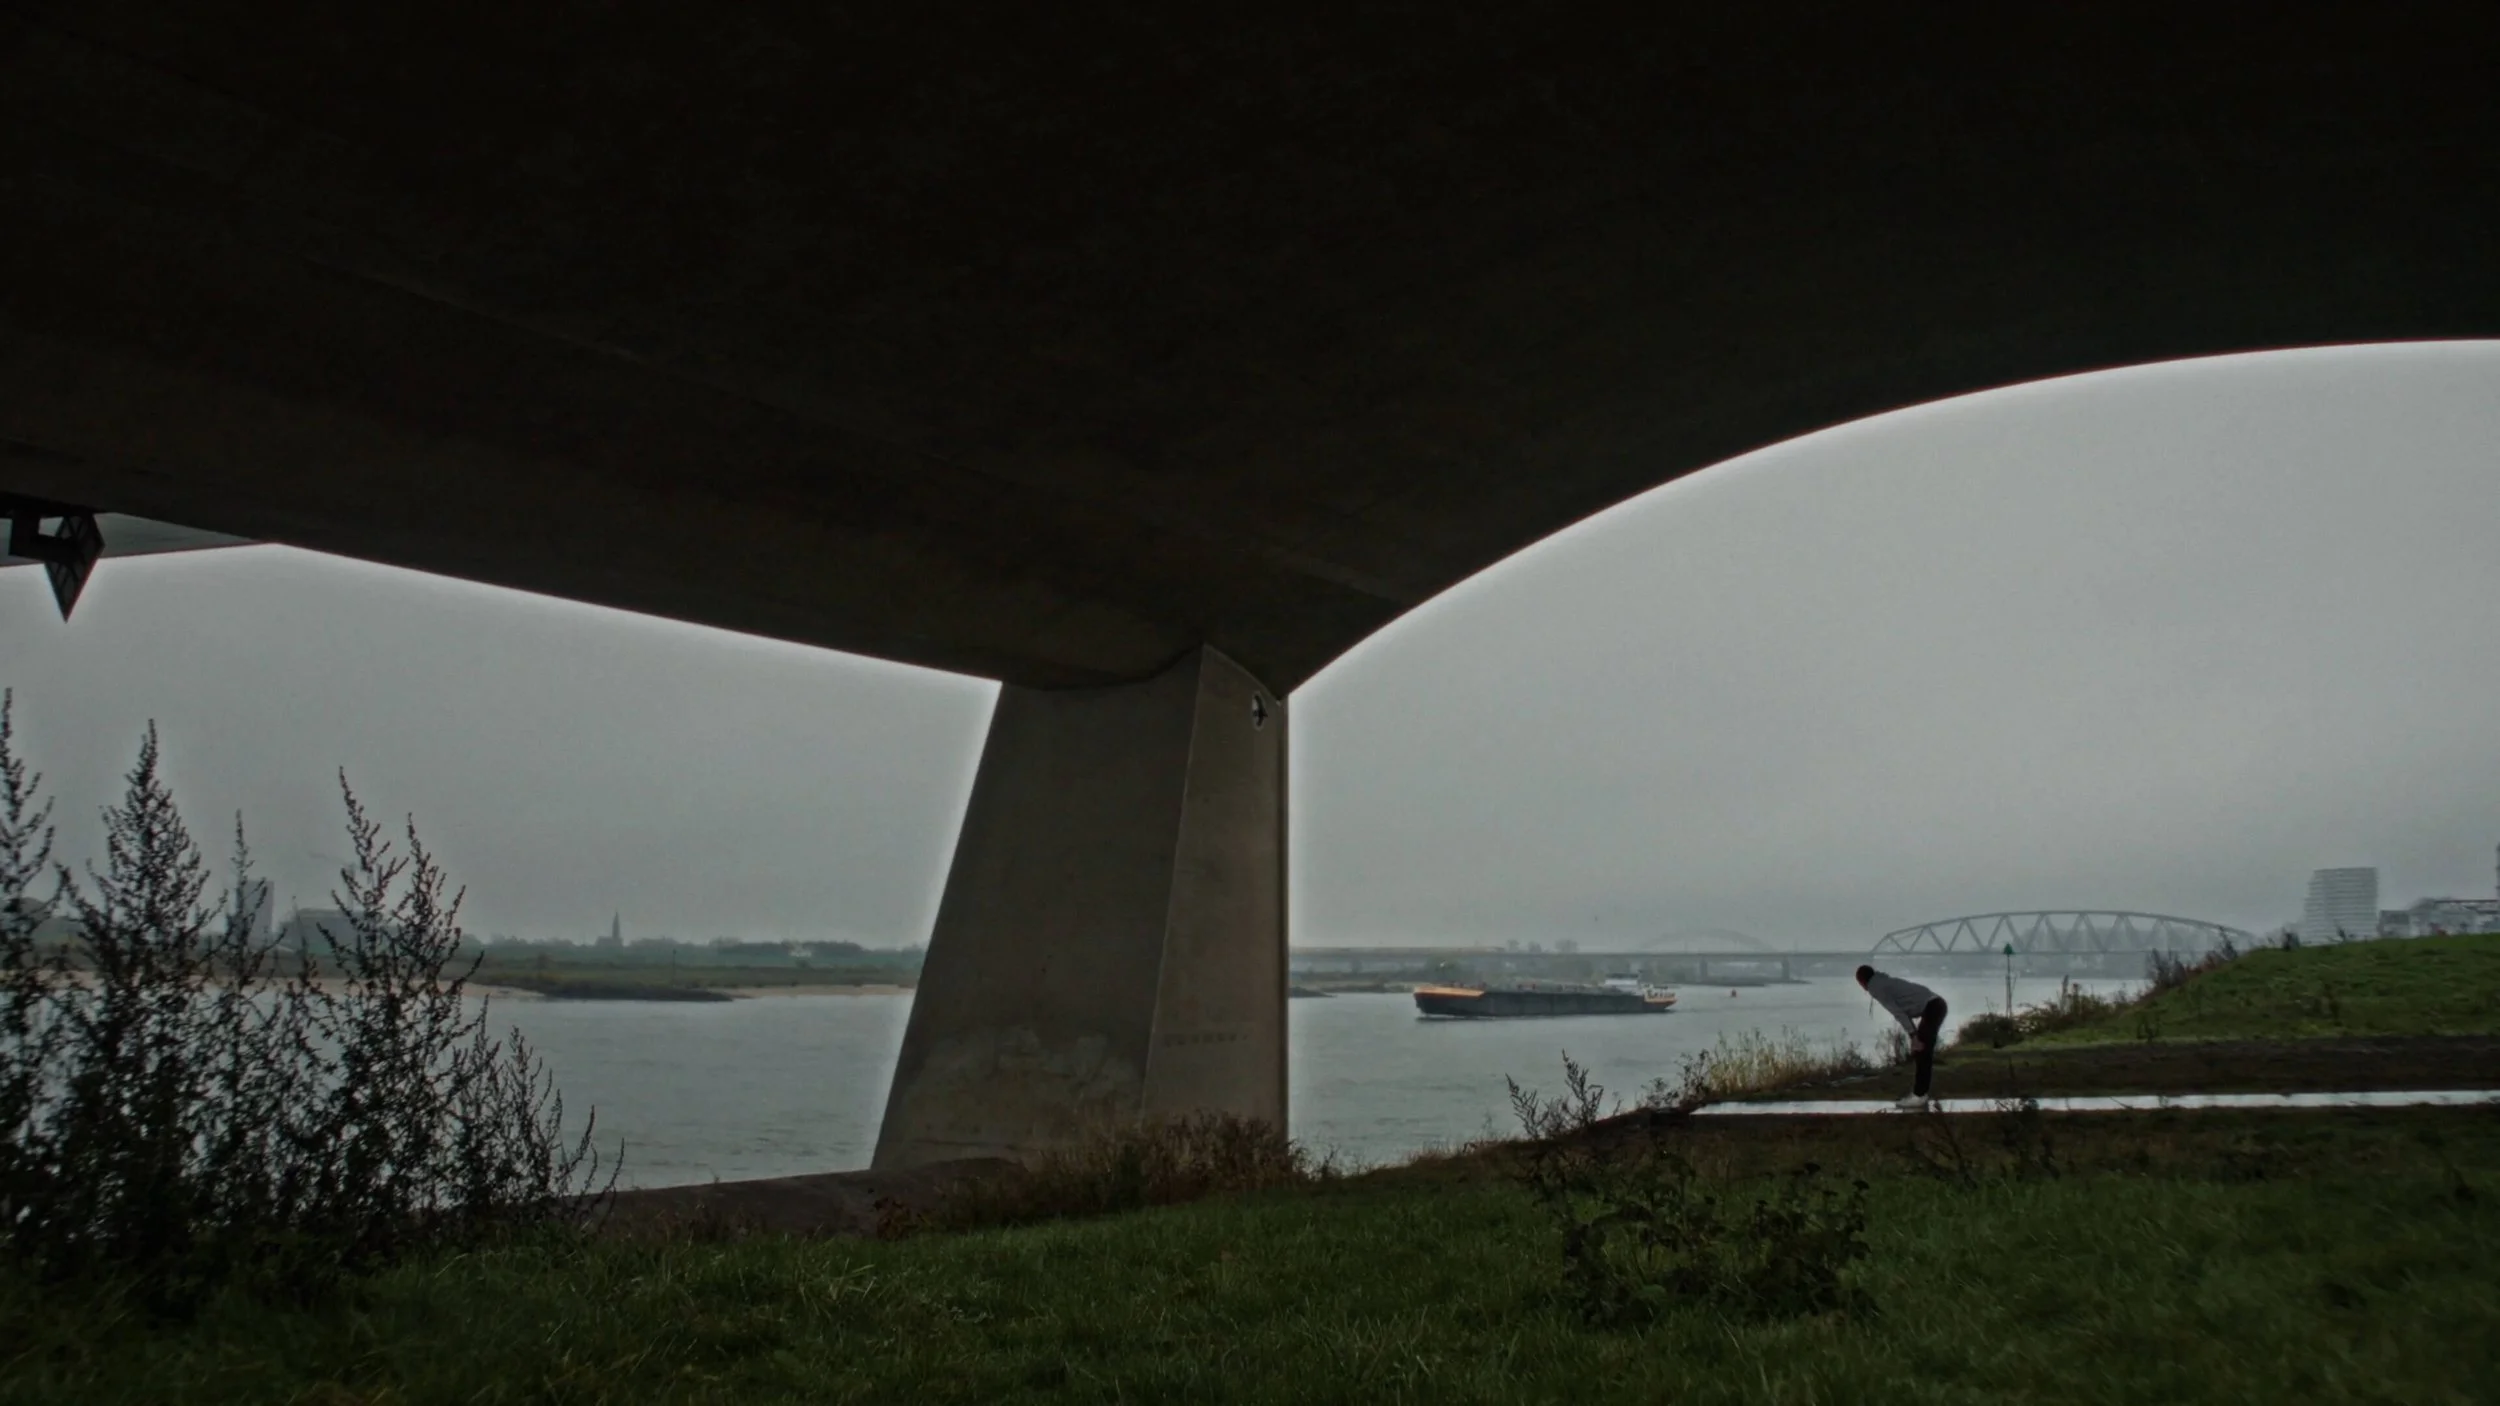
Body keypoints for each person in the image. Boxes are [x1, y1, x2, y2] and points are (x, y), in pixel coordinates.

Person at [1857, 965, 1946, 1110]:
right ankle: (1921, 1094)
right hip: (1935, 1005)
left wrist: (1913, 1036)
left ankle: (1919, 1096)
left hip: (1933, 1007)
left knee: (1922, 1052)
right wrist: (1915, 1035)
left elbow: (1898, 1013)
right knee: (1923, 1052)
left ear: (1861, 982)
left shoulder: (1876, 988)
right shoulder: (1883, 981)